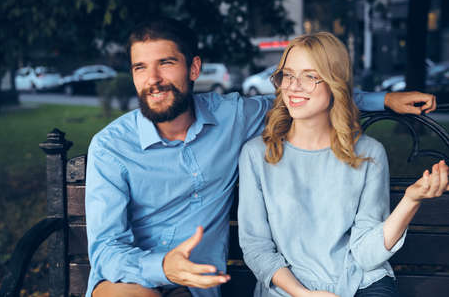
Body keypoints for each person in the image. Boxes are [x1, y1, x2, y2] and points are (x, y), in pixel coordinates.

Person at [85, 17, 437, 297]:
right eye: (140, 68)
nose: (153, 79)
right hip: (131, 280)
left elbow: (309, 96)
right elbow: (105, 252)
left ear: (193, 68)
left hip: (198, 286)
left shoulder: (231, 117)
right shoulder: (111, 147)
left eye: (165, 63)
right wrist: (162, 267)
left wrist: (385, 101)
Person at [237, 32, 448, 297]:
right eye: (288, 75)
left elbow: (366, 256)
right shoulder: (256, 155)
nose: (293, 86)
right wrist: (304, 294)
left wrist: (411, 200)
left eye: (310, 76)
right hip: (288, 290)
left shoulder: (369, 153)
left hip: (361, 283)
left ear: (335, 83)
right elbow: (257, 248)